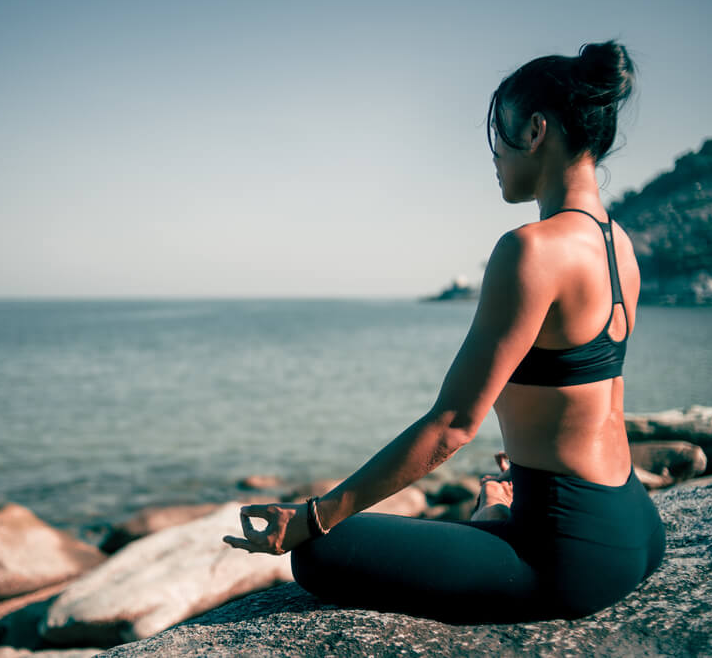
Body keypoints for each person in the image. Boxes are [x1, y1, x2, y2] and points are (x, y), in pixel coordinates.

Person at [224, 40, 665, 624]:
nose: (494, 156)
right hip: (634, 523)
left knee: (318, 555)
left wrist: (314, 516)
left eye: (498, 136)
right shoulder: (618, 244)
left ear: (535, 132)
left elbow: (453, 427)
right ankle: (498, 506)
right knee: (482, 515)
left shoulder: (530, 250)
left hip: (570, 558)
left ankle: (492, 514)